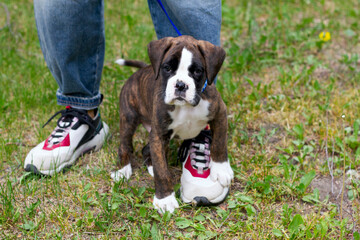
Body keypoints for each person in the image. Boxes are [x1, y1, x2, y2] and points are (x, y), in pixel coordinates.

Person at [25, 0, 227, 205]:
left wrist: (221, 159)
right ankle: (91, 122)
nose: (181, 82)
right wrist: (163, 191)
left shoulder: (208, 88)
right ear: (158, 63)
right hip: (140, 102)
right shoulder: (151, 92)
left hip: (197, 101)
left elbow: (221, 114)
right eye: (168, 68)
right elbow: (156, 137)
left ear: (210, 68)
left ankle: (200, 134)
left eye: (196, 71)